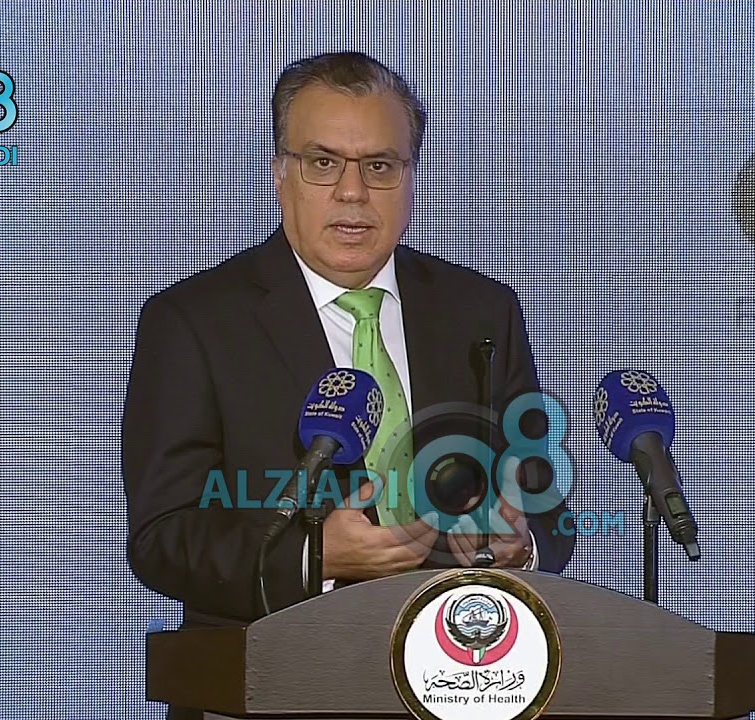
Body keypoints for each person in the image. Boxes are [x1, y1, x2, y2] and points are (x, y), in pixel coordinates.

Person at [121, 51, 575, 717]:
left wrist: (521, 542)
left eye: (380, 166)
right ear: (280, 172)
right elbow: (164, 537)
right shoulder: (193, 322)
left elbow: (543, 498)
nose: (353, 192)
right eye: (323, 162)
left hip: (462, 681)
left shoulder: (481, 311)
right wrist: (315, 555)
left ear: (411, 177)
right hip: (266, 687)